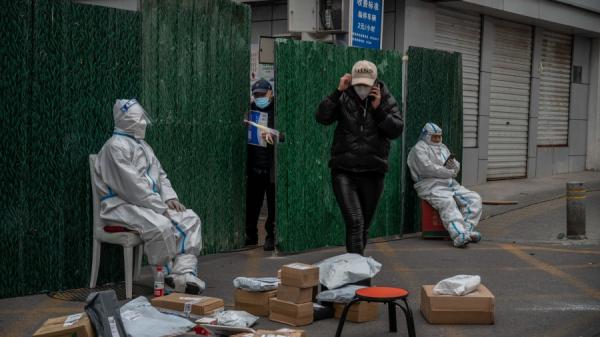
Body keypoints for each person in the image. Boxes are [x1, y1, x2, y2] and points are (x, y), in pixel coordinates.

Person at [94, 99, 205, 294]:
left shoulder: (143, 146)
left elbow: (160, 175)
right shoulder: (114, 147)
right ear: (126, 121)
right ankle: (167, 279)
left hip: (148, 204)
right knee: (160, 227)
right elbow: (132, 188)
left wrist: (170, 198)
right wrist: (161, 208)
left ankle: (185, 273)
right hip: (120, 206)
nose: (143, 123)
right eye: (138, 119)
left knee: (191, 219)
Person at [316, 60, 403, 256]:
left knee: (362, 226)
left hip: (373, 171)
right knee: (355, 221)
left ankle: (356, 270)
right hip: (344, 171)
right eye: (359, 84)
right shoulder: (343, 95)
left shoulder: (385, 97)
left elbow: (396, 129)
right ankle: (356, 276)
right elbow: (322, 117)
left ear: (375, 82)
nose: (362, 88)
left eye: (366, 84)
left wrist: (378, 109)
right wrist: (337, 91)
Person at [407, 122, 482, 248]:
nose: (437, 139)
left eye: (439, 137)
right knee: (448, 202)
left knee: (474, 199)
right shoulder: (419, 149)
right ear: (426, 136)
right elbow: (427, 169)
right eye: (434, 137)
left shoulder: (443, 147)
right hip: (430, 185)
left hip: (449, 183)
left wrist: (454, 166)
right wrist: (449, 172)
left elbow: (455, 165)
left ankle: (466, 231)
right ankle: (458, 235)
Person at [245, 79, 283, 251]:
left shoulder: (278, 111)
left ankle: (271, 236)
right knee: (252, 203)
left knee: (273, 204)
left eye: (263, 94)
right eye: (256, 95)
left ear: (270, 93)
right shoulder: (250, 110)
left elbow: (284, 135)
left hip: (271, 166)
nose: (260, 98)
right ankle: (250, 236)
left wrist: (275, 137)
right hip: (254, 164)